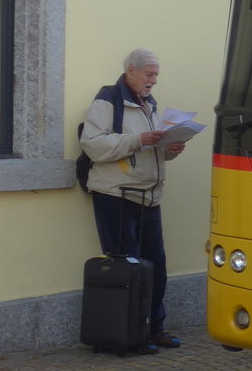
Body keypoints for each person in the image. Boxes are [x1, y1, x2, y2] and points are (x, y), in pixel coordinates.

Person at [80, 48, 188, 354]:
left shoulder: (148, 104)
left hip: (149, 197)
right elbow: (93, 145)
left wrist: (170, 148)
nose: (154, 80)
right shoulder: (108, 100)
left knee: (156, 268)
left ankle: (155, 329)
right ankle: (129, 336)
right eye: (149, 74)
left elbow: (150, 149)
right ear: (131, 72)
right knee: (127, 269)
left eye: (156, 75)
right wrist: (139, 140)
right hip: (116, 195)